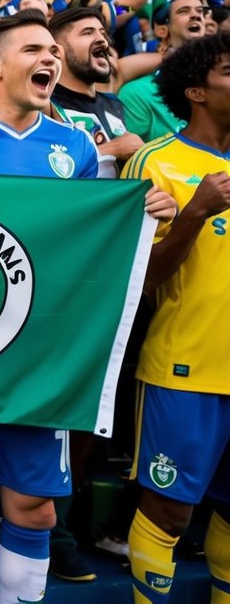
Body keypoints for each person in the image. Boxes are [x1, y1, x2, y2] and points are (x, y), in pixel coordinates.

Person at [0, 10, 175, 604]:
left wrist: (138, 216)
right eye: (32, 50)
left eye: (52, 50)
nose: (49, 58)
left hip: (35, 354)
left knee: (34, 507)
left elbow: (83, 242)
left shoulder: (72, 146)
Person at [122, 31, 230, 604]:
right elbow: (138, 281)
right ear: (196, 91)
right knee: (168, 510)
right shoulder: (156, 161)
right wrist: (195, 213)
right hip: (183, 368)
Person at [49, 6, 146, 175]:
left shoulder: (113, 103)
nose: (102, 40)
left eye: (102, 33)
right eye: (88, 32)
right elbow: (45, 166)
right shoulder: (46, 105)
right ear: (57, 51)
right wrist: (112, 149)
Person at [120, 0, 209, 142]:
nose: (196, 15)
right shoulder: (138, 93)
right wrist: (127, 6)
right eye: (183, 11)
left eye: (200, 11)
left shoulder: (221, 85)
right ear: (162, 30)